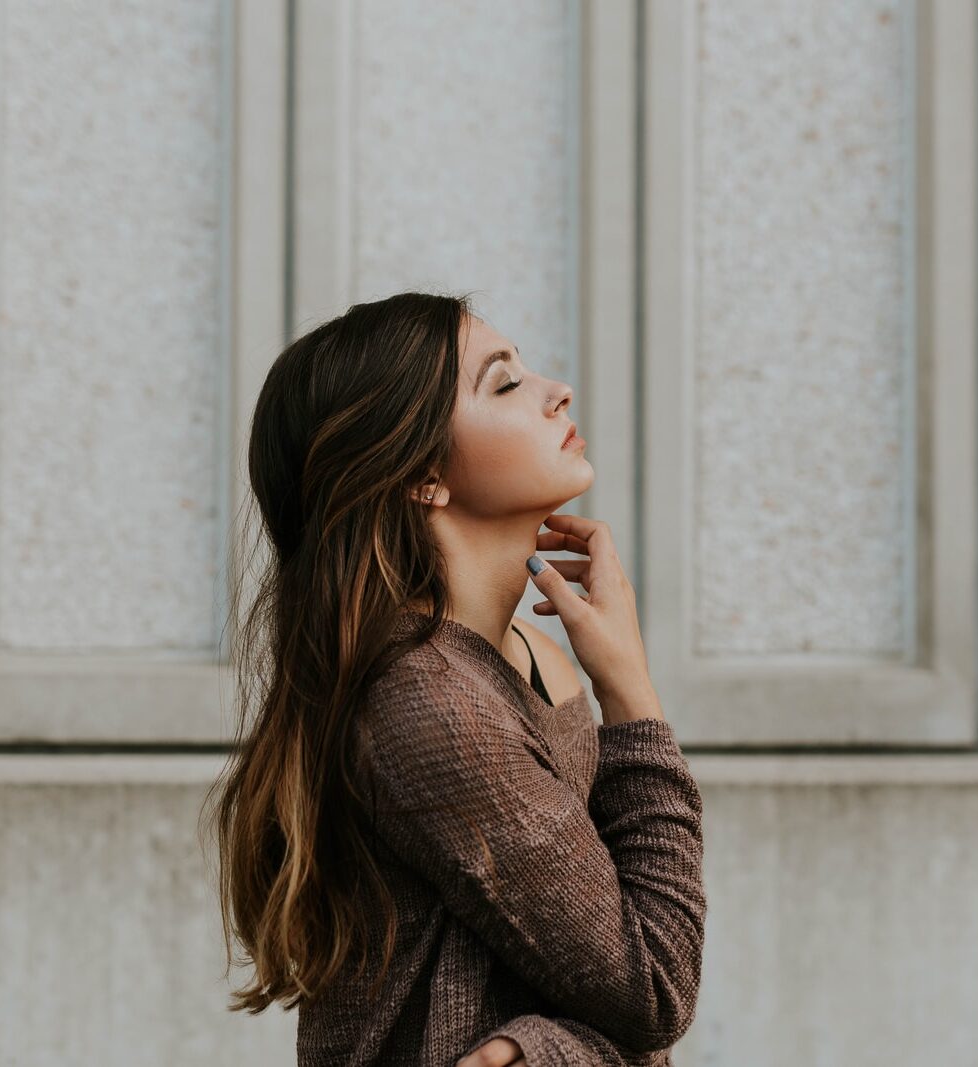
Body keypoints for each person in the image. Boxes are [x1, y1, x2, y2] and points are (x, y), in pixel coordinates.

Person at [202, 291, 706, 1065]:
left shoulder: (539, 658)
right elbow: (656, 986)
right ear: (422, 474)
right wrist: (633, 698)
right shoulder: (430, 703)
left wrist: (548, 1047)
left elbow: (614, 982)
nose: (555, 390)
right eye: (504, 383)